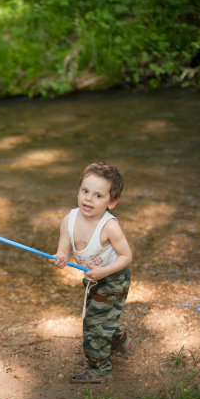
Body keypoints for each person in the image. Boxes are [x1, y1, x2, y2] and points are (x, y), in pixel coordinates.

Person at [50, 161, 133, 383]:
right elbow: (63, 249)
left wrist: (105, 271)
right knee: (99, 317)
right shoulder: (69, 220)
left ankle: (99, 370)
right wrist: (60, 258)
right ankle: (118, 339)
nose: (88, 198)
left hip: (114, 279)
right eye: (85, 191)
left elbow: (127, 257)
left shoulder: (109, 227)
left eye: (98, 195)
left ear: (112, 202)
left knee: (93, 325)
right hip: (93, 278)